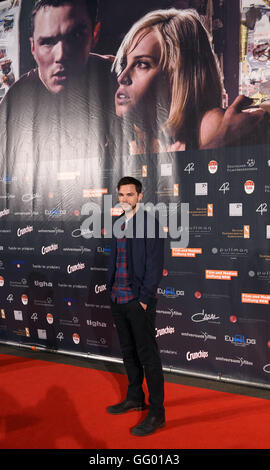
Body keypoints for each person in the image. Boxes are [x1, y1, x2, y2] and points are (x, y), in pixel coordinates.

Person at [112, 8, 267, 155]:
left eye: (142, 64)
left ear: (177, 75)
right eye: (124, 64)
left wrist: (219, 141)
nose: (122, 77)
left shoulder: (211, 125)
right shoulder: (145, 136)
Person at [0, 0, 116, 165]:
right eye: (47, 42)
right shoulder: (16, 101)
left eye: (75, 36)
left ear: (94, 35)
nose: (60, 55)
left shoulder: (121, 80)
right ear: (33, 47)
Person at [106, 176, 165, 437]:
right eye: (121, 195)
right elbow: (116, 259)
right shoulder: (118, 222)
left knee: (148, 357)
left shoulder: (149, 224)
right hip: (118, 298)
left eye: (130, 195)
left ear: (140, 196)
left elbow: (154, 267)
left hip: (137, 301)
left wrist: (143, 299)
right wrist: (110, 290)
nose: (125, 199)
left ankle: (157, 413)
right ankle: (135, 397)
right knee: (128, 352)